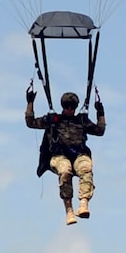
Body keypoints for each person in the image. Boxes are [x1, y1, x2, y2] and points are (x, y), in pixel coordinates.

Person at [26, 85, 105, 225]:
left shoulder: (81, 121)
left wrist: (100, 112)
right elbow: (30, 123)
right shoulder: (53, 120)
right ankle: (69, 210)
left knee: (86, 167)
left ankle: (83, 204)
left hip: (78, 154)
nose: (69, 110)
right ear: (63, 106)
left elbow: (100, 130)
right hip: (58, 156)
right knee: (65, 169)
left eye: (72, 107)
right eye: (67, 106)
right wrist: (30, 103)